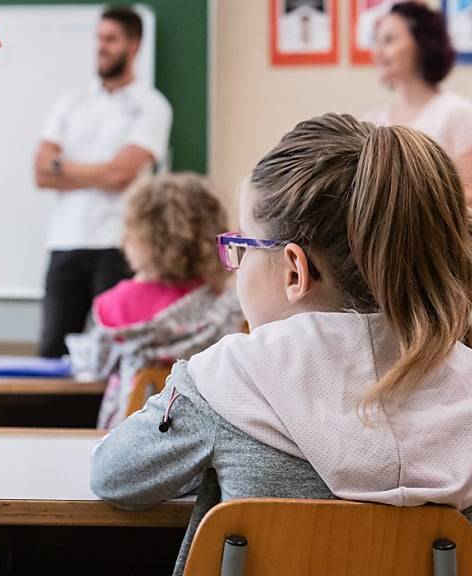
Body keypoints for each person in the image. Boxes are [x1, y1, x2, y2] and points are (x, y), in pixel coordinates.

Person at [91, 113, 472, 576]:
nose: (237, 263)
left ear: (294, 270)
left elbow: (115, 475)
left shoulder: (229, 376)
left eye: (242, 247)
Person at [33, 6, 172, 358]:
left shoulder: (152, 106)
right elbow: (40, 171)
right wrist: (99, 170)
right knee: (52, 350)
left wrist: (63, 166)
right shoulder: (71, 103)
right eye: (99, 38)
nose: (102, 47)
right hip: (65, 241)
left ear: (134, 45)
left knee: (115, 352)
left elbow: (121, 176)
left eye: (111, 39)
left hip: (118, 244)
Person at [69, 174, 242, 430]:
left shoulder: (113, 305)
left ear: (138, 239)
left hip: (130, 434)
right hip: (206, 432)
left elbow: (96, 367)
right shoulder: (225, 303)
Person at [367, 1, 472, 197]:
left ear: (421, 43)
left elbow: (467, 199)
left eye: (389, 40)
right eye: (376, 41)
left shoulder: (460, 115)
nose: (377, 52)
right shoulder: (373, 122)